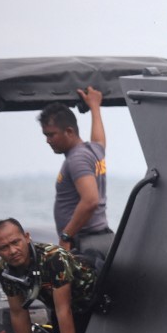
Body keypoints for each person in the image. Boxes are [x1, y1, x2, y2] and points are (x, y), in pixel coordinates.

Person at [0, 218, 97, 333]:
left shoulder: (53, 258)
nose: (12, 251)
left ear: (27, 237)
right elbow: (18, 312)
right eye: (4, 248)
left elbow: (63, 309)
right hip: (61, 307)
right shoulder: (4, 269)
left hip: (93, 295)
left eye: (15, 242)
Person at [38, 87, 113, 256]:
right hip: (99, 237)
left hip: (86, 242)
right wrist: (95, 107)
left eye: (51, 135)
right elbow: (99, 139)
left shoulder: (77, 159)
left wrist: (66, 235)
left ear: (69, 132)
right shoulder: (93, 150)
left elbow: (90, 200)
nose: (47, 141)